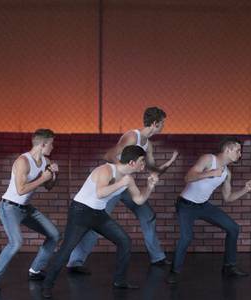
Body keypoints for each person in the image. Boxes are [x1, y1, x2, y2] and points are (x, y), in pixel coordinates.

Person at [66, 107, 178, 274]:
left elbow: (152, 168)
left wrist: (168, 164)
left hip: (126, 185)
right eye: (162, 123)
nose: (163, 126)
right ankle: (75, 262)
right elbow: (109, 156)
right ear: (155, 123)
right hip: (113, 185)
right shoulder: (133, 136)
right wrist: (122, 174)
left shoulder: (148, 144)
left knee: (147, 215)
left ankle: (158, 257)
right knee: (96, 223)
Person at [41, 145, 158, 299]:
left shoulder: (129, 179)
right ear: (131, 163)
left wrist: (149, 187)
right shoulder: (107, 170)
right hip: (80, 212)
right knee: (66, 249)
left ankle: (119, 281)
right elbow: (100, 192)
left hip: (98, 214)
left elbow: (139, 200)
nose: (144, 165)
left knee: (125, 241)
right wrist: (122, 183)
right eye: (142, 161)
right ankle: (47, 286)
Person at [166, 137, 251, 284]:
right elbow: (188, 177)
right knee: (186, 237)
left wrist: (246, 189)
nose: (240, 154)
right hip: (185, 205)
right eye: (238, 150)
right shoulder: (208, 159)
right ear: (228, 150)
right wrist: (209, 173)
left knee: (233, 228)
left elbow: (228, 198)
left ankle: (229, 266)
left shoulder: (227, 173)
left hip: (203, 206)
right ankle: (174, 272)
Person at [0, 129, 60, 291]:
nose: (53, 147)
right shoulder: (23, 161)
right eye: (51, 144)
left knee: (54, 235)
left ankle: (35, 270)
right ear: (42, 144)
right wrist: (43, 178)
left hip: (26, 208)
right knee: (16, 242)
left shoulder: (46, 161)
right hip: (9, 207)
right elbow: (21, 190)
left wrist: (54, 175)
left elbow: (48, 186)